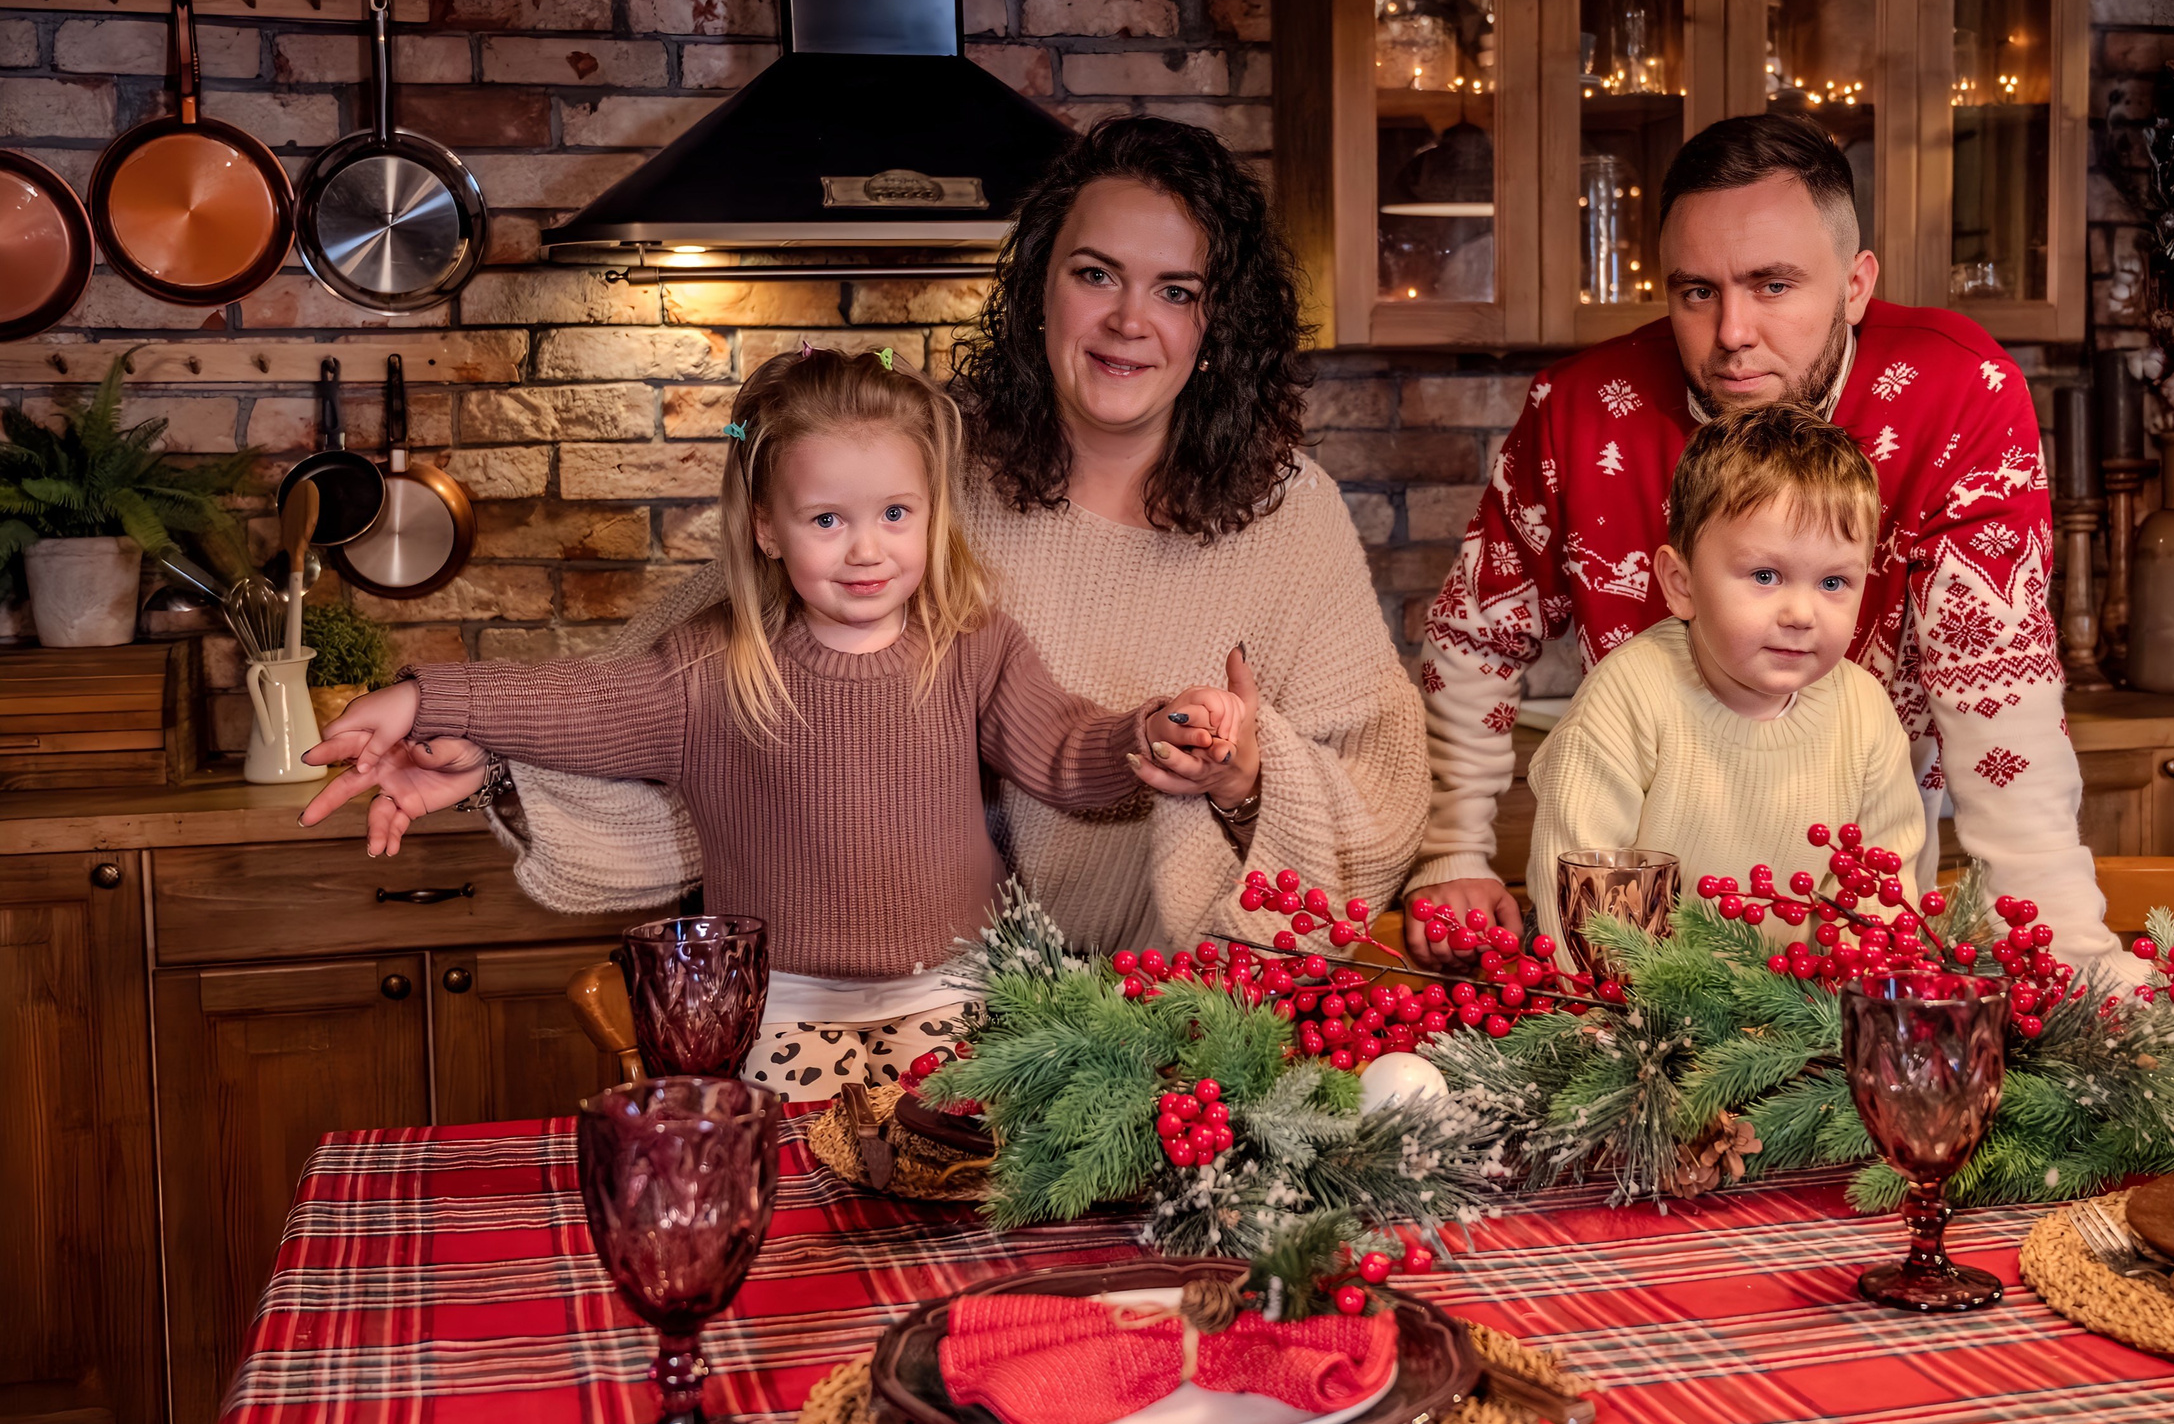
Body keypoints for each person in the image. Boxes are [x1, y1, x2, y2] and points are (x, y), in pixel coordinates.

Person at [299, 116, 1428, 1012]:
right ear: (1041, 285)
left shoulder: (1288, 516)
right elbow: (681, 689)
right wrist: (495, 755)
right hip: (900, 994)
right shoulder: (913, 467)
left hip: (1181, 1021)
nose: (1131, 319)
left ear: (1215, 323)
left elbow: (1373, 792)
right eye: (1097, 273)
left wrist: (1247, 769)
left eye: (1176, 290)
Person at [306, 349, 1248, 1097]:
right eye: (827, 519)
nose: (868, 548)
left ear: (933, 514)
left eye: (894, 512)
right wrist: (423, 697)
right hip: (779, 1016)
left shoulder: (974, 643)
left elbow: (1068, 751)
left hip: (963, 1003)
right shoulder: (715, 666)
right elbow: (580, 701)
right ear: (766, 526)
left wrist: (1159, 727)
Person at [1409, 111, 2133, 988]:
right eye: (1696, 291)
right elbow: (1474, 634)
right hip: (1641, 938)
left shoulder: (1961, 394)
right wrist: (1452, 844)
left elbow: (2001, 699)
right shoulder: (1579, 408)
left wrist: (2063, 958)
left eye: (1774, 285)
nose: (1732, 333)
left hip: (1848, 914)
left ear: (1856, 284)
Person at [1522, 403, 1925, 949]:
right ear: (1682, 584)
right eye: (1766, 575)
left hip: (1798, 1014)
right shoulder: (1629, 699)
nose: (1801, 614)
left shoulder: (1864, 710)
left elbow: (1878, 889)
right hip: (1645, 1010)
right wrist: (1643, 1027)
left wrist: (1840, 1012)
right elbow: (1586, 892)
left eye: (1833, 583)